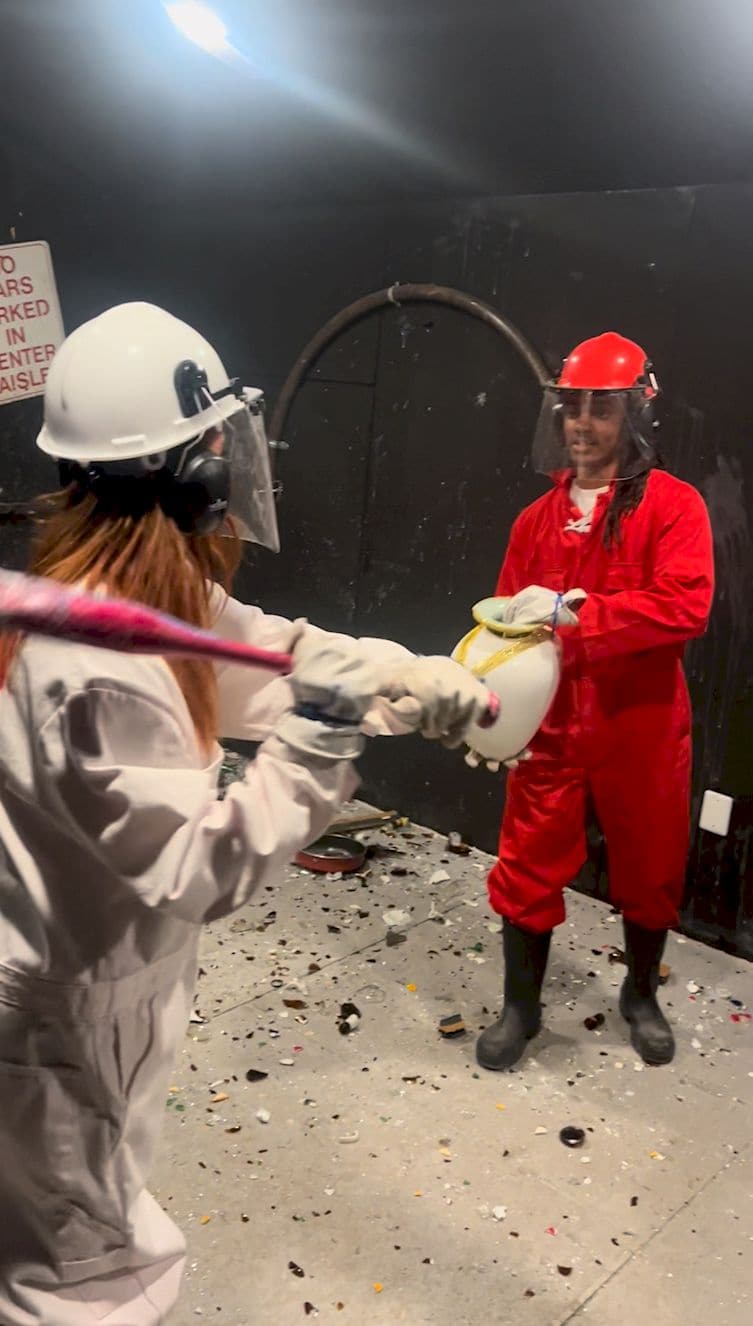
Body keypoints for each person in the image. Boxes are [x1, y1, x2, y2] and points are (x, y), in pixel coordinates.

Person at [0, 302, 492, 1325]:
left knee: (73, 1229)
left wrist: (407, 678)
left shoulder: (140, 595)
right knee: (78, 1281)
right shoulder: (92, 663)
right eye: (217, 449)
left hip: (100, 984)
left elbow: (270, 654)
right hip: (69, 1013)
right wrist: (323, 735)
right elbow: (200, 868)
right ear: (188, 475)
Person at [472, 332, 714, 1073]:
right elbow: (504, 624)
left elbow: (685, 605)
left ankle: (640, 996)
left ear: (634, 417)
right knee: (526, 862)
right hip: (550, 724)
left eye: (600, 410)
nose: (581, 424)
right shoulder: (534, 520)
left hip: (639, 724)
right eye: (572, 408)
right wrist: (492, 711)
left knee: (650, 865)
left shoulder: (673, 507)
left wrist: (582, 617)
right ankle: (521, 1008)